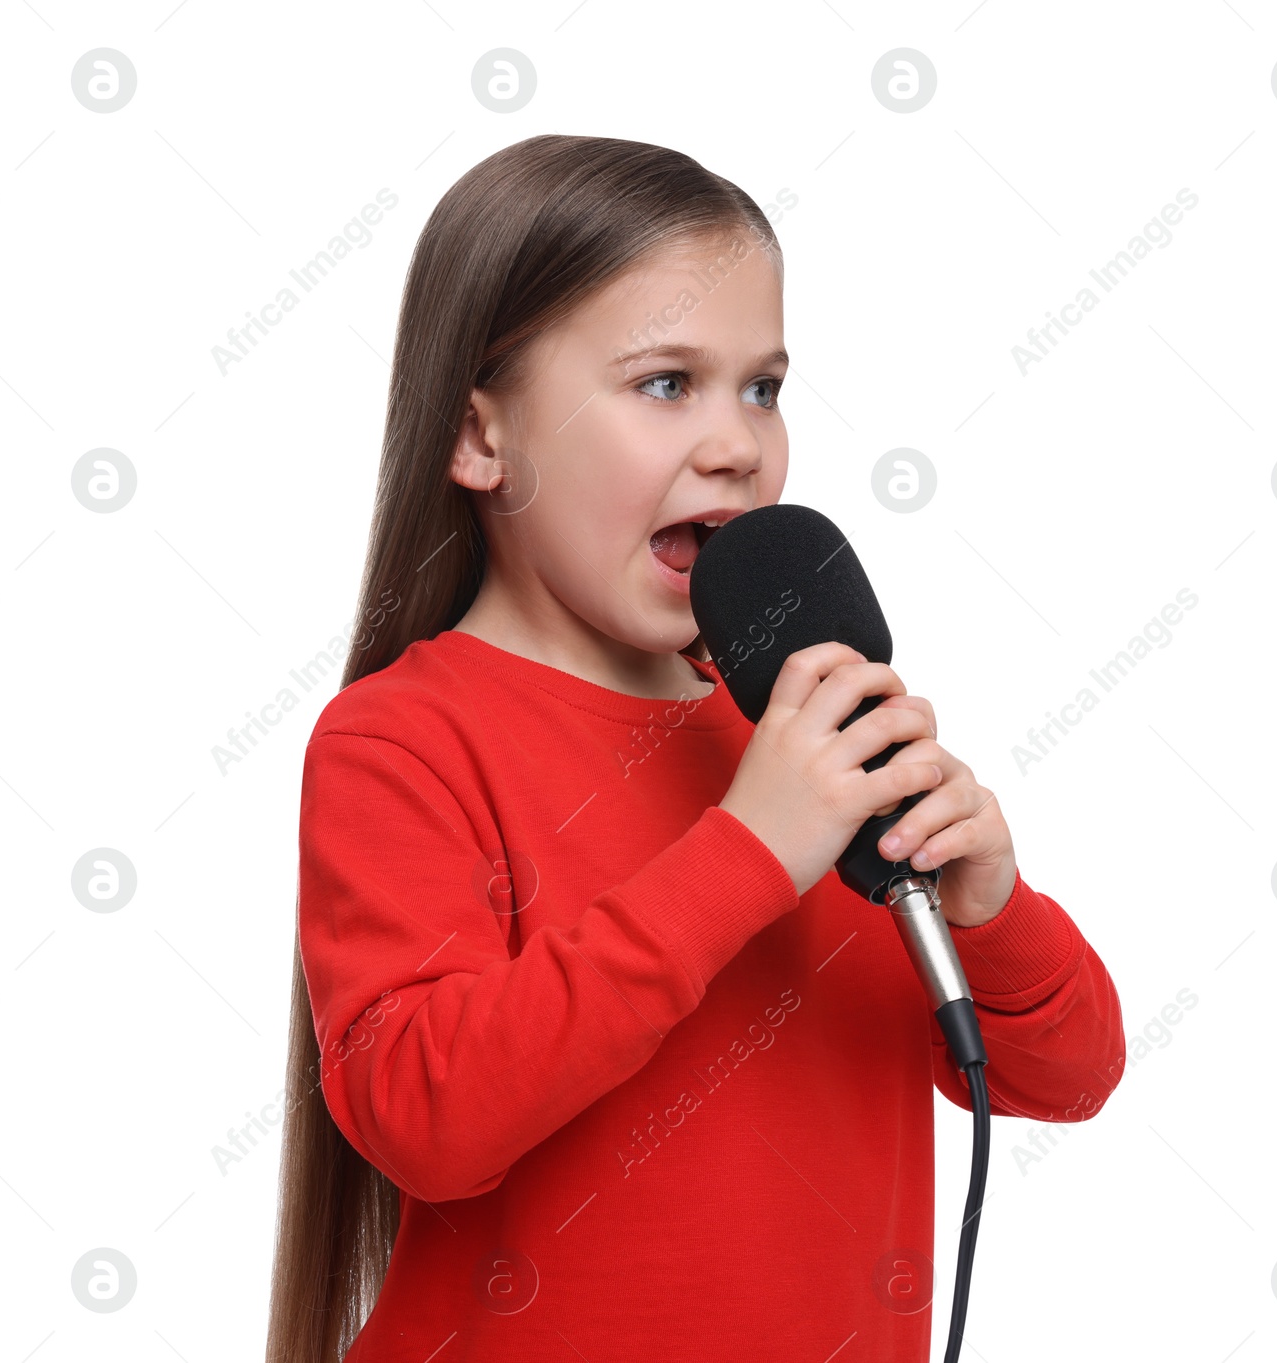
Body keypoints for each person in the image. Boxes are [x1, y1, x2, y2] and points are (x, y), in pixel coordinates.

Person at [267, 133, 1126, 1363]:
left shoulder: (793, 736)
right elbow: (427, 1116)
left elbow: (1066, 1073)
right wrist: (745, 850)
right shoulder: (404, 739)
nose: (739, 444)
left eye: (763, 387)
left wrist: (987, 903)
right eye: (667, 383)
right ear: (481, 438)